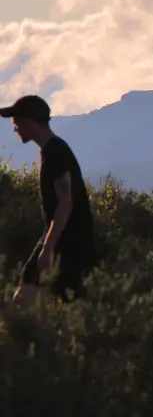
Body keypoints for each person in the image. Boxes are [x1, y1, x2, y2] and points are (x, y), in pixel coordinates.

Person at [0, 94, 96, 309]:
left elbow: (66, 204)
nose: (14, 128)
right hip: (65, 239)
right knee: (40, 295)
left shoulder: (56, 153)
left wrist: (48, 248)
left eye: (16, 122)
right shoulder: (52, 150)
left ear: (30, 121)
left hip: (70, 242)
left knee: (49, 300)